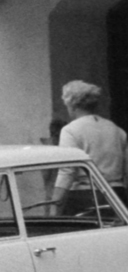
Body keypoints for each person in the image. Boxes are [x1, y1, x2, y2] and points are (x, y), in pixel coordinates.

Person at [53, 80, 128, 212]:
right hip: (118, 195)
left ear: (72, 105)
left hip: (85, 197)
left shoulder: (70, 130)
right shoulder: (117, 130)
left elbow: (67, 172)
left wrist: (54, 206)